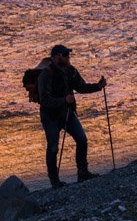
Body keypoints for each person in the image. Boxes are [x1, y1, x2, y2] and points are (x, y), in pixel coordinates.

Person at [35, 44, 107, 188]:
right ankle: (55, 181)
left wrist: (98, 87)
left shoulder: (70, 71)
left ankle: (83, 172)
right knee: (53, 148)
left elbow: (81, 87)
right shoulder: (46, 75)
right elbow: (44, 100)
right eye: (66, 55)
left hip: (67, 113)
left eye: (68, 55)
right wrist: (64, 100)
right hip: (50, 117)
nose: (69, 58)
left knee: (82, 140)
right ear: (56, 57)